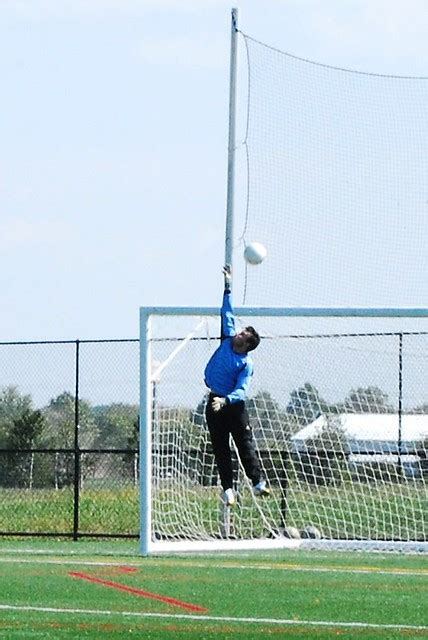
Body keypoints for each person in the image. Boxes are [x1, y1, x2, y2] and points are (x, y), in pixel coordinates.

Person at [204, 265, 270, 507]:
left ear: (247, 343)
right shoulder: (226, 338)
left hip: (233, 406)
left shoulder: (246, 363)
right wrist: (228, 286)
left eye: (243, 334)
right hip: (214, 401)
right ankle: (228, 489)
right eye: (240, 330)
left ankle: (258, 483)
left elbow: (242, 390)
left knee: (244, 444)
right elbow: (227, 313)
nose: (238, 333)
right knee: (220, 447)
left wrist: (227, 400)